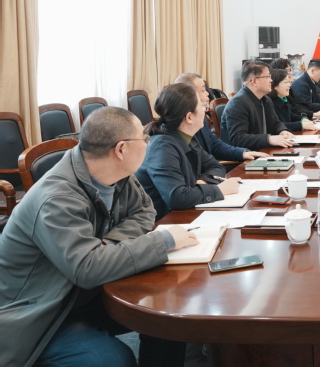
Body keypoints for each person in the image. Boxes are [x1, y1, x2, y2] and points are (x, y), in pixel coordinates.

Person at [0, 107, 198, 367]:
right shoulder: (56, 198)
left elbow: (145, 211)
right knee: (112, 360)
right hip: (40, 314)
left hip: (82, 295)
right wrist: (164, 241)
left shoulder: (118, 175)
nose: (148, 144)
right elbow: (88, 268)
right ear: (121, 149)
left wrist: (107, 246)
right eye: (144, 138)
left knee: (168, 311)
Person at [136, 83, 240, 220]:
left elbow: (216, 166)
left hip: (185, 213)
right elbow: (176, 197)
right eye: (201, 106)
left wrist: (202, 183)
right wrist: (219, 189)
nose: (205, 110)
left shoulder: (185, 136)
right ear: (189, 117)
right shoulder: (162, 147)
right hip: (163, 221)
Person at [174, 72, 267, 163]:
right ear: (188, 95)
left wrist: (243, 153)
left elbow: (215, 146)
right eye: (203, 90)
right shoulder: (176, 135)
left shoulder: (202, 121)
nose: (207, 94)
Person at [221, 60, 295, 149]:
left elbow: (276, 122)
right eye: (267, 77)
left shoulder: (266, 99)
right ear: (254, 81)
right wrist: (268, 139)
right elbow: (238, 139)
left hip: (263, 150)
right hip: (245, 154)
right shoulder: (238, 103)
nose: (271, 80)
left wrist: (282, 131)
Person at [269, 68, 317, 132]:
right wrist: (301, 125)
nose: (289, 85)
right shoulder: (270, 103)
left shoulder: (283, 99)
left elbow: (291, 116)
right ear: (275, 85)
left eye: (289, 82)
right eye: (286, 82)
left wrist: (303, 119)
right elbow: (278, 125)